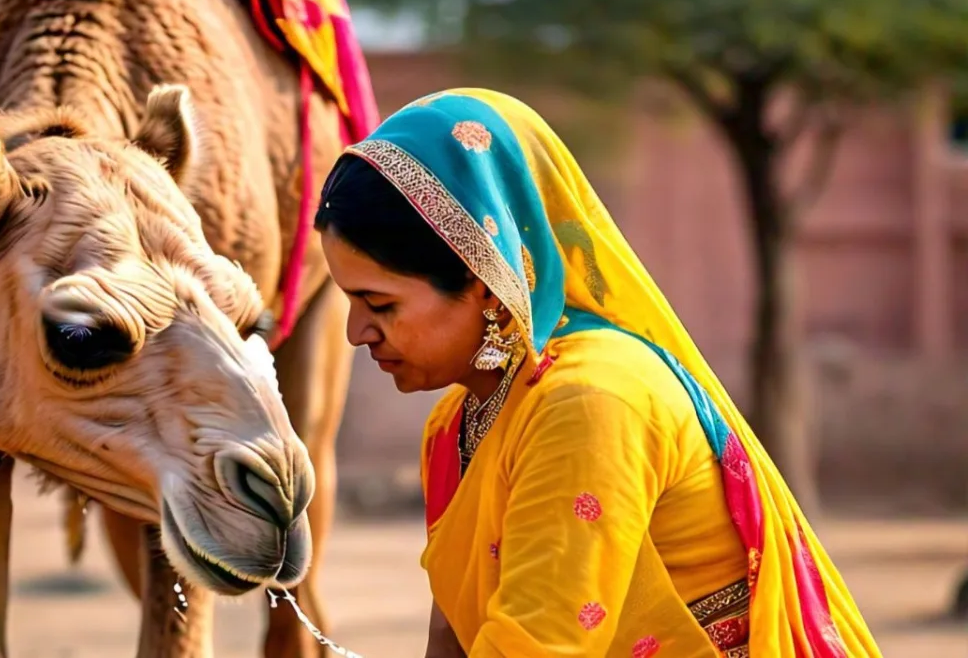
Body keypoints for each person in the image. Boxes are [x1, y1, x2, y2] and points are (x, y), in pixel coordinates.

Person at [315, 88, 880, 657]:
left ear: (483, 282)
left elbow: (538, 647)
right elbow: (455, 636)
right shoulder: (455, 425)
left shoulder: (589, 401)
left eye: (380, 304)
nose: (355, 332)